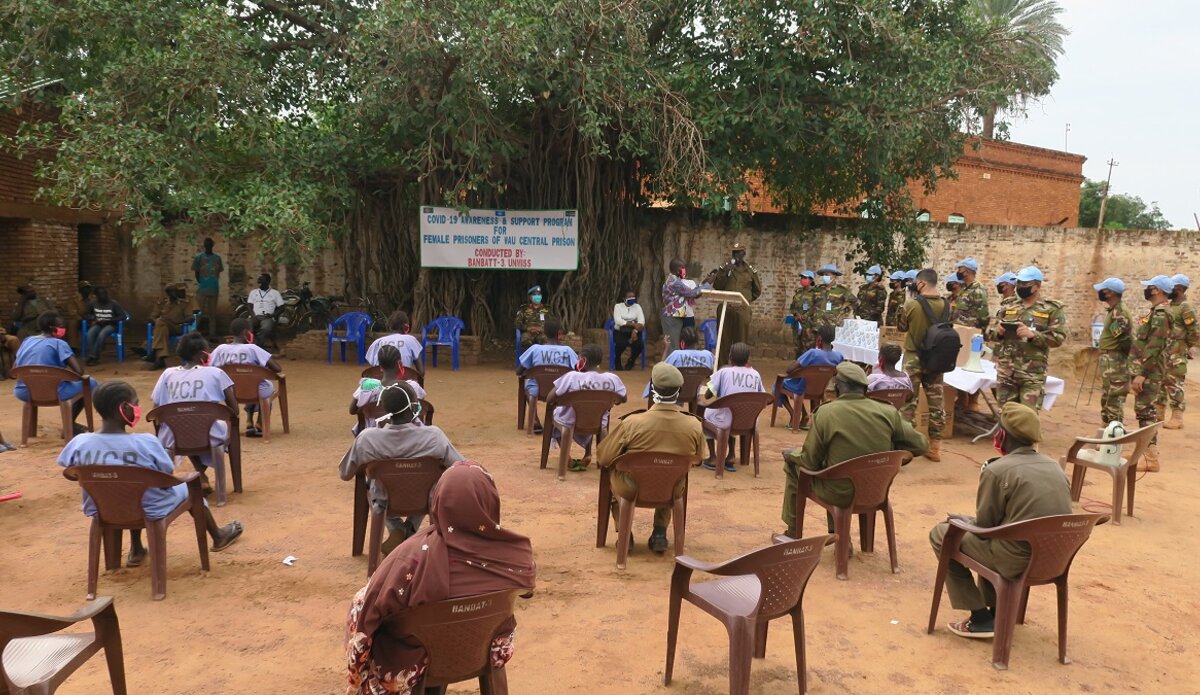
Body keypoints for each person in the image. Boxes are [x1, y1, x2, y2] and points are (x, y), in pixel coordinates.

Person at [344, 462, 535, 695]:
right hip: (482, 648)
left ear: (439, 500)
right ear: (491, 501)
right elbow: (526, 589)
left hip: (416, 661)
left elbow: (371, 613)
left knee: (362, 603)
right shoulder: (516, 554)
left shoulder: (409, 558)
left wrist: (357, 669)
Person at [58, 381, 243, 566]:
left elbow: (71, 472)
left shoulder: (79, 442)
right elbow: (166, 474)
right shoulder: (146, 442)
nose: (138, 408)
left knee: (125, 488)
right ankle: (218, 536)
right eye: (135, 403)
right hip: (149, 509)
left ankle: (136, 549)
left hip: (102, 508)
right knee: (185, 488)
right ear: (124, 407)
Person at [928, 402, 1071, 639]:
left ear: (1001, 435)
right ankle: (997, 611)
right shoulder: (1055, 468)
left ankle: (980, 618)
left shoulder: (998, 470)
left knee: (941, 534)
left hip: (1015, 560)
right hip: (1053, 560)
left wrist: (965, 521)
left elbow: (985, 528)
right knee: (999, 537)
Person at [781, 362, 928, 537]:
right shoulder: (887, 412)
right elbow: (921, 445)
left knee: (799, 467)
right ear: (865, 389)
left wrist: (793, 456)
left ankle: (792, 533)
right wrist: (891, 451)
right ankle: (839, 535)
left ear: (837, 389)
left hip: (839, 493)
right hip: (876, 490)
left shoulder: (826, 413)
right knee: (834, 464)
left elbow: (810, 462)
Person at [339, 380, 462, 554]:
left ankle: (398, 529)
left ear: (385, 409)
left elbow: (345, 473)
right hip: (424, 500)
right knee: (430, 482)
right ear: (413, 407)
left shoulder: (367, 439)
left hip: (385, 501)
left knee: (375, 484)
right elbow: (460, 466)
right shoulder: (434, 436)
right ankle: (409, 530)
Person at [596, 362, 706, 554]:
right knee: (671, 472)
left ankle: (625, 534)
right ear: (679, 391)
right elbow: (698, 458)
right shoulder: (694, 425)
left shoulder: (632, 423)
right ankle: (660, 534)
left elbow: (604, 457)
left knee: (612, 474)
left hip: (631, 489)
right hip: (670, 489)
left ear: (652, 388)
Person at [150, 332, 238, 493]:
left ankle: (200, 476)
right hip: (209, 435)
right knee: (203, 423)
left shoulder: (167, 374)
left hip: (173, 436)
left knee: (183, 422)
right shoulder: (215, 373)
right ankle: (202, 476)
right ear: (201, 354)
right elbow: (234, 409)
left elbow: (156, 406)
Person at [993, 266, 1066, 410]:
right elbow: (991, 333)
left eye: (1025, 284)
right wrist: (998, 332)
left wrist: (1033, 335)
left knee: (1027, 418)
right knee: (1005, 416)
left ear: (1037, 286)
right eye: (1018, 283)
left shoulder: (1051, 309)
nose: (1020, 287)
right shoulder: (1008, 307)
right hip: (1007, 372)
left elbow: (1058, 338)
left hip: (1032, 374)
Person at [12, 311, 97, 432]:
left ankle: (32, 431)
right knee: (90, 382)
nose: (64, 329)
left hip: (25, 391)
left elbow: (15, 369)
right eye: (61, 326)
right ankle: (69, 425)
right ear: (52, 327)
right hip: (53, 392)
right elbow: (79, 371)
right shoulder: (59, 343)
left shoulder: (27, 341)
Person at [546, 344, 627, 471]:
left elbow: (550, 398)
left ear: (583, 359)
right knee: (592, 413)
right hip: (598, 423)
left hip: (570, 423)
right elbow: (623, 398)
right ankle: (588, 453)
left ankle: (565, 453)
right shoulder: (612, 379)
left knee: (557, 414)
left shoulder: (572, 376)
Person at [897, 269, 948, 461]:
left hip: (914, 358)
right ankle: (935, 447)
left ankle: (906, 448)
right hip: (936, 359)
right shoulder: (946, 305)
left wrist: (907, 300)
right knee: (936, 403)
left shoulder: (912, 304)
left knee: (908, 402)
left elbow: (901, 327)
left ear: (921, 283)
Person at [209, 317, 283, 437]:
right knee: (262, 386)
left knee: (248, 384)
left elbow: (208, 366)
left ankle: (249, 420)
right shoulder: (253, 349)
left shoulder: (220, 349)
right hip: (256, 391)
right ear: (245, 332)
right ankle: (260, 422)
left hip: (230, 392)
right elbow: (277, 368)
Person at [1129, 275, 1175, 472]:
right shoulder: (1156, 312)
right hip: (1148, 369)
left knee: (1146, 411)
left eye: (1149, 287)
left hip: (1150, 371)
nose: (1146, 289)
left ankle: (1150, 458)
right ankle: (1143, 453)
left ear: (1157, 290)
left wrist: (1143, 373)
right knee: (1143, 410)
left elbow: (1154, 346)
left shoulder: (1161, 314)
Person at [697, 342, 764, 472]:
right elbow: (763, 396)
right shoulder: (756, 374)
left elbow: (708, 394)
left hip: (725, 421)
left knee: (705, 416)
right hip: (748, 421)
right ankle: (731, 455)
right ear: (748, 359)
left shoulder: (724, 372)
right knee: (732, 414)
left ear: (730, 357)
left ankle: (713, 457)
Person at [516, 318, 578, 434]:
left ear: (544, 333)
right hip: (561, 391)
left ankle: (535, 421)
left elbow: (519, 371)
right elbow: (578, 370)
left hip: (539, 391)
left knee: (528, 387)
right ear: (559, 333)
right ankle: (560, 420)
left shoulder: (534, 349)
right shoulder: (568, 351)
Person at [776, 324, 843, 429]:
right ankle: (809, 416)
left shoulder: (813, 353)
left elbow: (789, 370)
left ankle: (794, 414)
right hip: (820, 388)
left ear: (819, 338)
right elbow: (836, 372)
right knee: (809, 382)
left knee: (778, 385)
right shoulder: (838, 356)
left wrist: (799, 369)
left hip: (803, 387)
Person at [350, 344, 427, 435]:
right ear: (400, 364)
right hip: (406, 436)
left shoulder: (367, 387)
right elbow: (419, 409)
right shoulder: (413, 387)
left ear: (380, 366)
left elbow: (352, 410)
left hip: (375, 437)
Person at [705, 242, 762, 360]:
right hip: (726, 308)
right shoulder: (725, 268)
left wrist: (746, 300)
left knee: (741, 340)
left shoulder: (750, 271)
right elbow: (717, 286)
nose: (736, 255)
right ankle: (722, 367)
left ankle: (739, 365)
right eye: (734, 252)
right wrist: (726, 272)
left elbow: (757, 291)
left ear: (744, 253)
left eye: (739, 252)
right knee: (723, 339)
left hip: (742, 309)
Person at [1159, 274, 1199, 429]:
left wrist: (1185, 347)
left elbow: (1194, 332)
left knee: (1175, 384)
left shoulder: (1185, 308)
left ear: (1180, 289)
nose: (1169, 289)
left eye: (1173, 287)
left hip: (1176, 353)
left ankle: (1177, 418)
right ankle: (1159, 413)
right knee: (1161, 383)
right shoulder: (1169, 305)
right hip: (1164, 353)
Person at [1093, 278, 1132, 426]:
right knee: (1108, 395)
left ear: (1109, 293)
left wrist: (1123, 361)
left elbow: (1124, 340)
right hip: (1110, 359)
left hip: (1115, 360)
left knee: (1114, 398)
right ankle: (1106, 430)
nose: (1100, 292)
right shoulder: (1114, 310)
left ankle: (1113, 436)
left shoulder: (1119, 312)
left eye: (1103, 290)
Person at [639, 326, 713, 399]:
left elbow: (660, 369)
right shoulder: (708, 355)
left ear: (682, 343)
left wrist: (666, 348)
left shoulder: (676, 354)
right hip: (698, 392)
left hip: (675, 393)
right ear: (697, 342)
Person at [660, 258, 707, 356]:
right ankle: (672, 369)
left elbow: (691, 292)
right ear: (677, 269)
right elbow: (691, 293)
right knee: (673, 346)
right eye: (682, 267)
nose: (684, 269)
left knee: (674, 345)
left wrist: (703, 284)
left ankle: (676, 368)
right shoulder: (675, 282)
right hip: (671, 316)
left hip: (674, 316)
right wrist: (707, 284)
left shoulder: (673, 279)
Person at [145, 283, 191, 370]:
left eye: (174, 291)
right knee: (161, 326)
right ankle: (160, 358)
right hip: (164, 328)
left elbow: (190, 318)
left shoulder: (184, 304)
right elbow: (152, 317)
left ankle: (154, 351)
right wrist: (157, 322)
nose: (173, 294)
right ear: (167, 293)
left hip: (177, 327)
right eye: (170, 292)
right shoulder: (162, 303)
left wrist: (180, 321)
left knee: (160, 322)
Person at [365, 310, 425, 377]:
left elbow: (374, 370)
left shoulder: (378, 342)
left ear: (389, 327)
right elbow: (421, 372)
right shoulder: (411, 340)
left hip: (382, 383)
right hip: (404, 382)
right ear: (406, 327)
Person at [809, 264, 858, 339]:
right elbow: (812, 304)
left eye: (827, 275)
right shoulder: (818, 289)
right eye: (824, 275)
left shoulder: (841, 290)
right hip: (817, 326)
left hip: (832, 326)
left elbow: (855, 302)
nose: (825, 277)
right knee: (818, 348)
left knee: (830, 347)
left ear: (834, 276)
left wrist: (844, 312)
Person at [82, 286, 127, 366]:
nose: (104, 296)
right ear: (96, 296)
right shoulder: (93, 303)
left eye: (105, 293)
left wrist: (109, 320)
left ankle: (93, 356)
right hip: (99, 324)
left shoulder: (114, 303)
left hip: (111, 325)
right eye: (101, 294)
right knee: (90, 334)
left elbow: (123, 316)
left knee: (102, 334)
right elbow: (85, 314)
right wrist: (93, 318)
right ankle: (95, 356)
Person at [192, 238, 224, 335]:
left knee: (212, 314)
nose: (208, 246)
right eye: (206, 244)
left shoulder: (217, 258)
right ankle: (194, 333)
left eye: (210, 244)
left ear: (212, 245)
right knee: (198, 313)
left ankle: (212, 334)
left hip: (214, 288)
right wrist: (202, 282)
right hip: (202, 288)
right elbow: (196, 273)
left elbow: (218, 272)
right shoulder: (199, 257)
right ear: (204, 245)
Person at [248, 273, 285, 350]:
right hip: (254, 316)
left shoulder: (275, 293)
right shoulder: (253, 292)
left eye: (261, 280)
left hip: (267, 317)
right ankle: (248, 347)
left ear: (268, 281)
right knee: (246, 325)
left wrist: (272, 315)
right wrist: (253, 316)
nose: (259, 282)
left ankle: (258, 347)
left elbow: (282, 307)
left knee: (265, 328)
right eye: (259, 280)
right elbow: (249, 306)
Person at [611, 289, 645, 370]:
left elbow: (641, 322)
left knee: (639, 345)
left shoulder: (637, 307)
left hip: (634, 331)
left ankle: (631, 361)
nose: (632, 298)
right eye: (629, 297)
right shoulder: (618, 306)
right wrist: (633, 323)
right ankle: (617, 360)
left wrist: (635, 330)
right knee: (621, 344)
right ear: (624, 298)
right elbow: (618, 321)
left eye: (633, 297)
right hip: (620, 331)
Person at [953, 258, 990, 331]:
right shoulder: (963, 288)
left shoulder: (978, 290)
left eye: (960, 269)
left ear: (967, 271)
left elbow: (983, 316)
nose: (958, 272)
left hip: (970, 332)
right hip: (958, 330)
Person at [515, 285, 555, 350]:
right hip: (528, 333)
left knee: (545, 341)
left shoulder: (547, 309)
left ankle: (542, 359)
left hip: (543, 333)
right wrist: (528, 328)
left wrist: (543, 329)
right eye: (535, 295)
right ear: (530, 297)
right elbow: (517, 324)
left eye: (539, 295)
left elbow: (553, 323)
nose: (537, 297)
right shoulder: (524, 309)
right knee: (526, 341)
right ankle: (529, 359)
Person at [789, 270, 817, 357]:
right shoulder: (798, 292)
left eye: (805, 278)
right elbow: (792, 307)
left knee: (807, 346)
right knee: (797, 345)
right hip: (797, 323)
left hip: (808, 324)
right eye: (801, 278)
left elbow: (817, 308)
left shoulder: (815, 293)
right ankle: (798, 364)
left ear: (811, 280)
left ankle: (807, 366)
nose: (802, 280)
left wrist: (804, 316)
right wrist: (796, 314)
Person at [64, 281, 93, 350]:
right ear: (80, 290)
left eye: (88, 288)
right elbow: (72, 313)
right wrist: (83, 318)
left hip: (92, 319)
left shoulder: (93, 298)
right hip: (81, 320)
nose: (87, 290)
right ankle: (73, 346)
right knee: (72, 322)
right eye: (84, 288)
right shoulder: (74, 300)